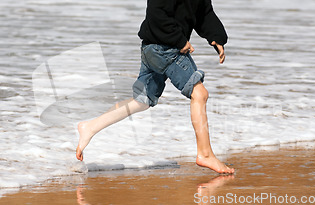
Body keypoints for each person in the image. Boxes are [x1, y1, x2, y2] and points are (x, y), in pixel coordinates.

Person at [76, 0, 234, 174]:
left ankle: (90, 127)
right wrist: (180, 41)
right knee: (200, 94)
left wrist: (217, 37)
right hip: (164, 48)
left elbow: (204, 12)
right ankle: (205, 154)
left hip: (154, 48)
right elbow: (156, 12)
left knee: (142, 101)